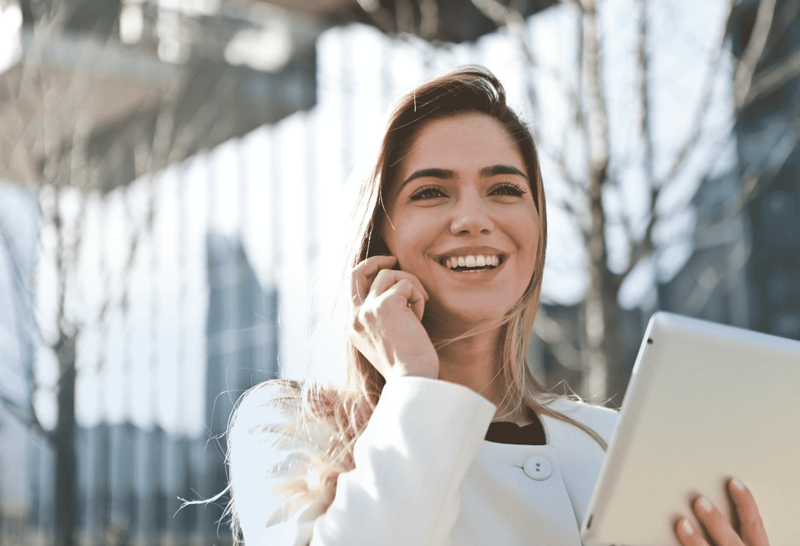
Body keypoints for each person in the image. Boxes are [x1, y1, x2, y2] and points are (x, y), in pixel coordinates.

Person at [226, 66, 769, 546]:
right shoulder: (288, 425)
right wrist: (415, 384)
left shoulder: (612, 442)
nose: (473, 218)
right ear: (377, 238)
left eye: (505, 189)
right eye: (431, 192)